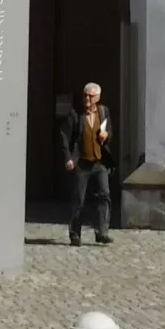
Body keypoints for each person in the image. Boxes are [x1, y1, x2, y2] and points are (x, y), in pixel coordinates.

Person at [59, 80, 113, 245]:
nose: (87, 99)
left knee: (104, 195)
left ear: (98, 97)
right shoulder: (75, 115)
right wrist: (68, 157)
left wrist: (107, 136)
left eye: (91, 96)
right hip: (82, 163)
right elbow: (65, 136)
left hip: (99, 162)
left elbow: (110, 131)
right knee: (79, 199)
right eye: (85, 95)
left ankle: (102, 231)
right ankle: (75, 234)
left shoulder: (104, 112)